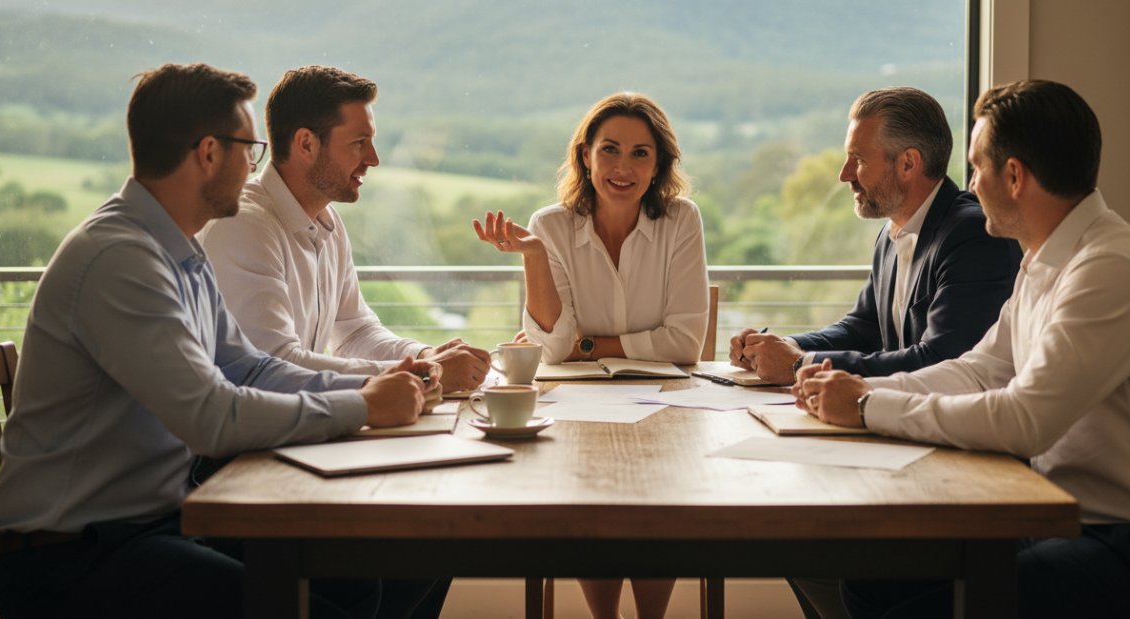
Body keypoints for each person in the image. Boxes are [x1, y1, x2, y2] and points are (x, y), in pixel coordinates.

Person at [0, 63, 448, 618]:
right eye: (249, 150)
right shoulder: (120, 259)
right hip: (73, 558)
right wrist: (361, 405)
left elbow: (249, 368)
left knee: (371, 576)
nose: (255, 167)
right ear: (209, 152)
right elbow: (210, 416)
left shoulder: (180, 251)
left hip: (157, 525)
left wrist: (377, 382)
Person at [793, 79, 1130, 618]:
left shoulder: (1109, 268)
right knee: (872, 582)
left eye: (977, 167)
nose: (970, 184)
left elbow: (1025, 419)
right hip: (1074, 528)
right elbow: (980, 369)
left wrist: (866, 408)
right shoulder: (1044, 259)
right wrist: (862, 390)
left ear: (1014, 176)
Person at [473, 91, 709, 619]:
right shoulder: (550, 226)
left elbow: (686, 341)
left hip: (668, 403)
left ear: (659, 164)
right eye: (610, 150)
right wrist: (533, 256)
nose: (623, 167)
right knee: (588, 506)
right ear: (585, 155)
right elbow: (553, 347)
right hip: (577, 405)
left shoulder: (681, 220)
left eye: (640, 153)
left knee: (659, 506)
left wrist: (589, 344)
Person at [201, 65, 490, 393]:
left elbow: (356, 333)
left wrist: (423, 355)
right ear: (306, 144)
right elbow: (275, 366)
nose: (373, 158)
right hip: (250, 441)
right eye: (359, 142)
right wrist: (424, 374)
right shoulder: (244, 226)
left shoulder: (329, 222)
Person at [728, 87, 1022, 384]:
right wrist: (783, 346)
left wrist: (801, 364)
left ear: (908, 163)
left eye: (858, 160)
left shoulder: (974, 234)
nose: (845, 174)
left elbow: (940, 361)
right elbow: (862, 330)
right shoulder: (891, 233)